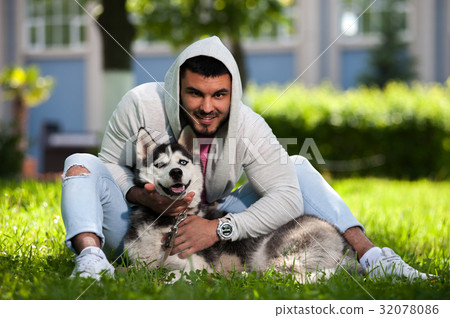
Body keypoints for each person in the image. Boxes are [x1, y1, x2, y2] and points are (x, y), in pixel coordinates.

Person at [61, 36, 429, 281]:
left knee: (297, 168)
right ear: (176, 88)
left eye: (219, 95)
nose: (207, 108)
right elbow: (109, 163)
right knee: (81, 161)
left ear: (232, 92)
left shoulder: (249, 124)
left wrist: (218, 229)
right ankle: (92, 261)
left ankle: (375, 259)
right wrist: (144, 196)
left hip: (210, 216)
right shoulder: (140, 104)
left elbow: (286, 196)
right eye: (195, 94)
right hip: (132, 222)